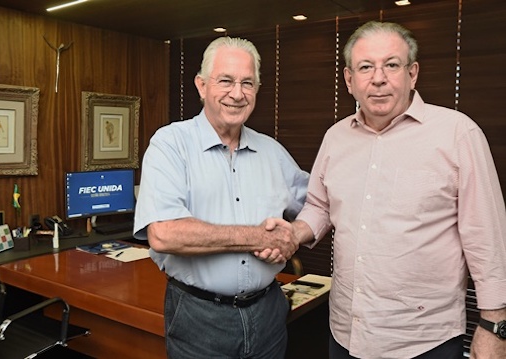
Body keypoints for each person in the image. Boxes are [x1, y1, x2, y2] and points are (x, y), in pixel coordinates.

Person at [264, 21, 506, 358]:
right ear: (350, 80)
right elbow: (319, 206)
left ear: (413, 74)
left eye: (392, 64)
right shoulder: (336, 138)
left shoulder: (458, 134)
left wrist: (495, 325)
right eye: (366, 67)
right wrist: (293, 233)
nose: (379, 78)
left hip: (423, 342)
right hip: (345, 334)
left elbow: (487, 238)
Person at [133, 36, 309, 358]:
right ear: (201, 86)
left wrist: (293, 235)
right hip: (200, 317)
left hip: (268, 312)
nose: (237, 94)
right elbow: (164, 233)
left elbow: (318, 203)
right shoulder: (171, 144)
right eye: (225, 81)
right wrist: (257, 237)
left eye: (247, 83)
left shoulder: (273, 152)